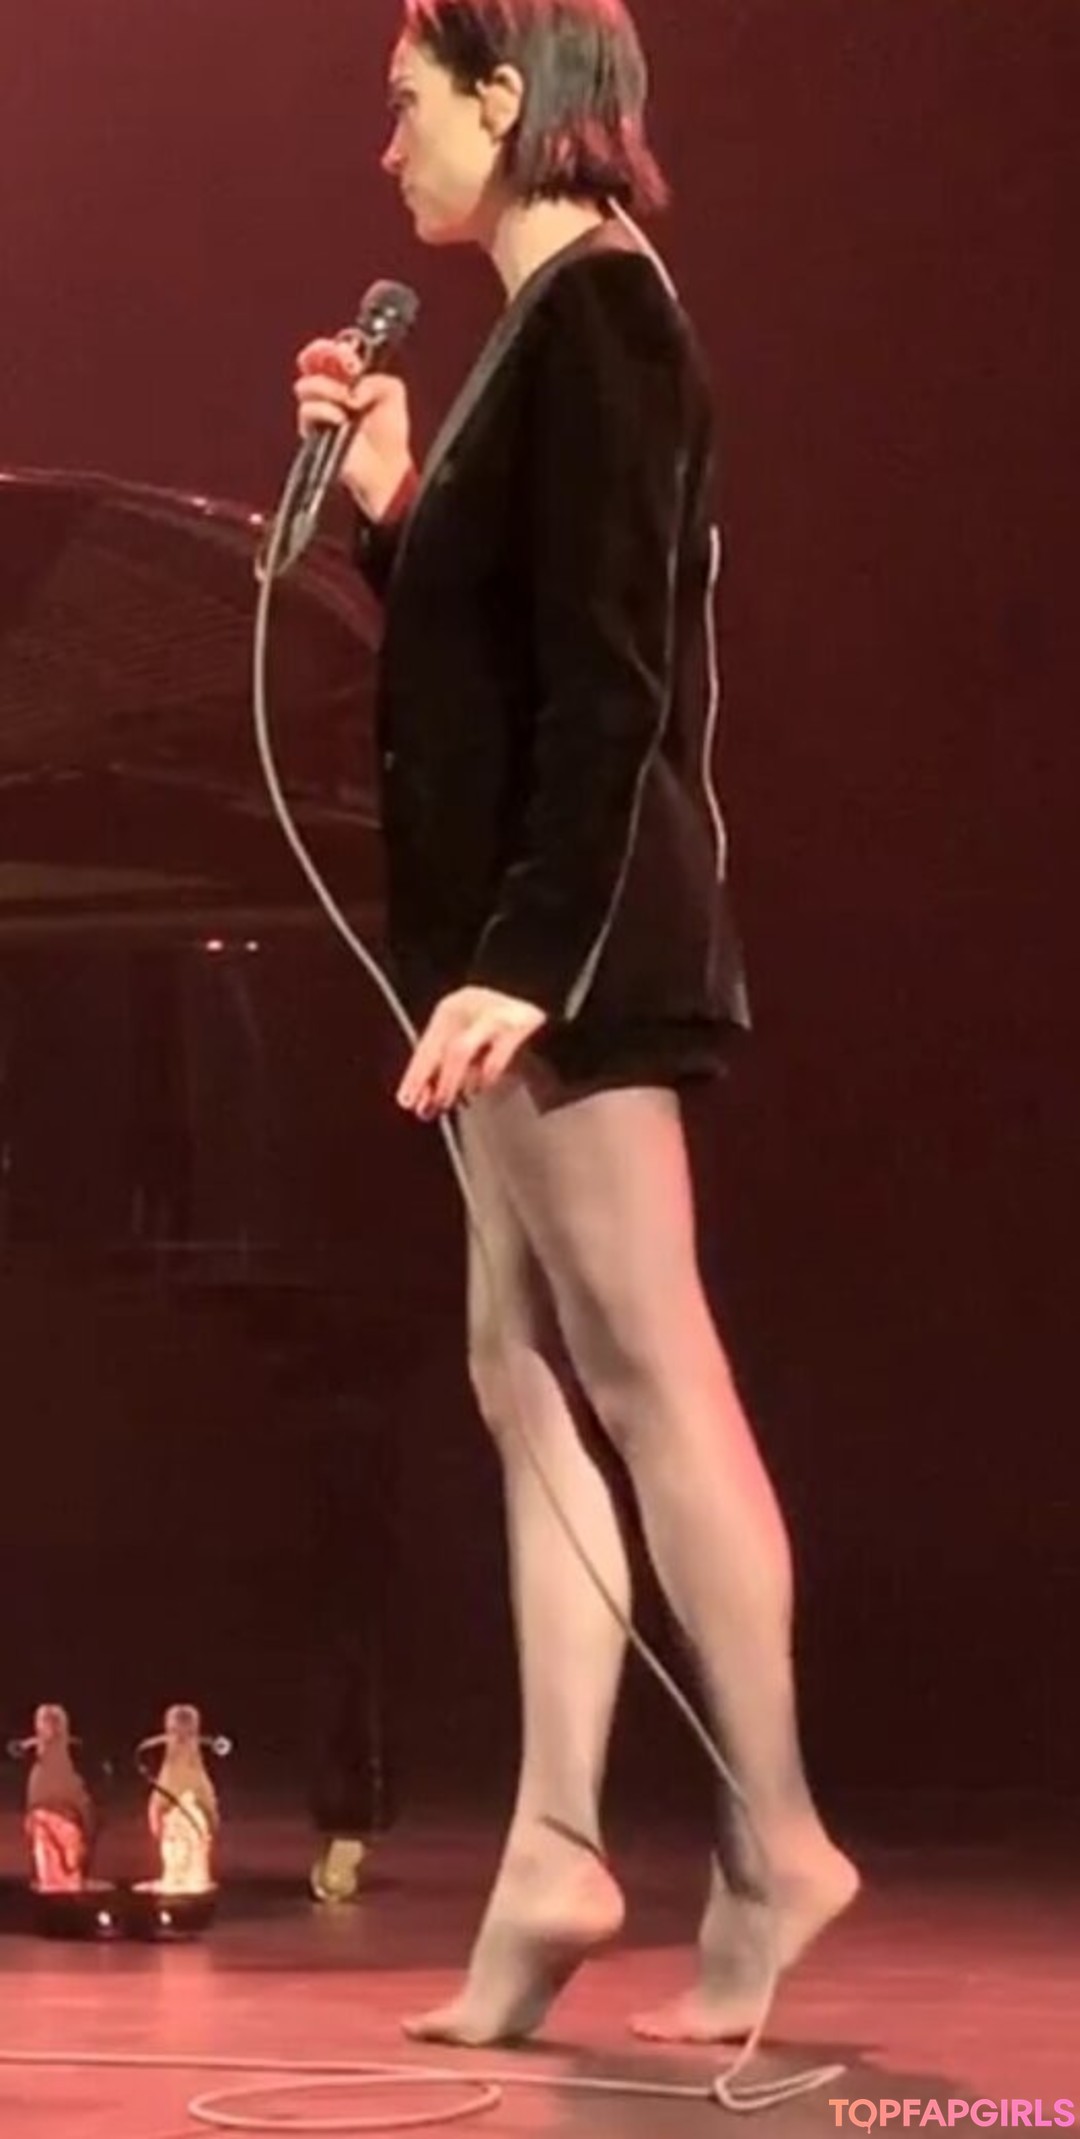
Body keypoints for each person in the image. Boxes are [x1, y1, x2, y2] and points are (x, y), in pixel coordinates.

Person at [293, 0, 858, 2049]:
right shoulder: (545, 329)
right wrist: (390, 504)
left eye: (407, 106)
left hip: (577, 941)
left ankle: (775, 1834)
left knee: (644, 1364)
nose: (388, 150)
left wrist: (530, 958)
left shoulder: (605, 318)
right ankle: (552, 1841)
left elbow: (613, 682)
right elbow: (500, 652)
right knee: (517, 1360)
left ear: (505, 98)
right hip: (520, 939)